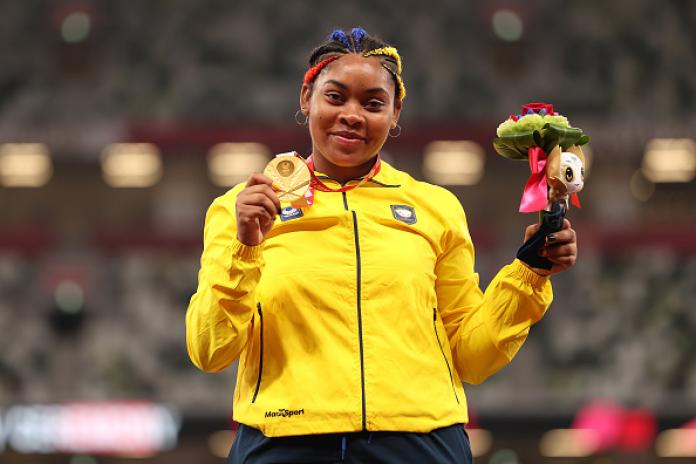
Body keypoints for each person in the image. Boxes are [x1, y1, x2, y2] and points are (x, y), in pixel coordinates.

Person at [185, 28, 577, 463]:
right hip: (285, 440)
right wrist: (245, 249)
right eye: (335, 97)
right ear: (306, 98)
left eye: (373, 103)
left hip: (420, 441)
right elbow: (210, 351)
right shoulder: (242, 209)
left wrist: (529, 274)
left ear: (395, 113)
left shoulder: (435, 208)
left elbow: (472, 356)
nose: (352, 115)